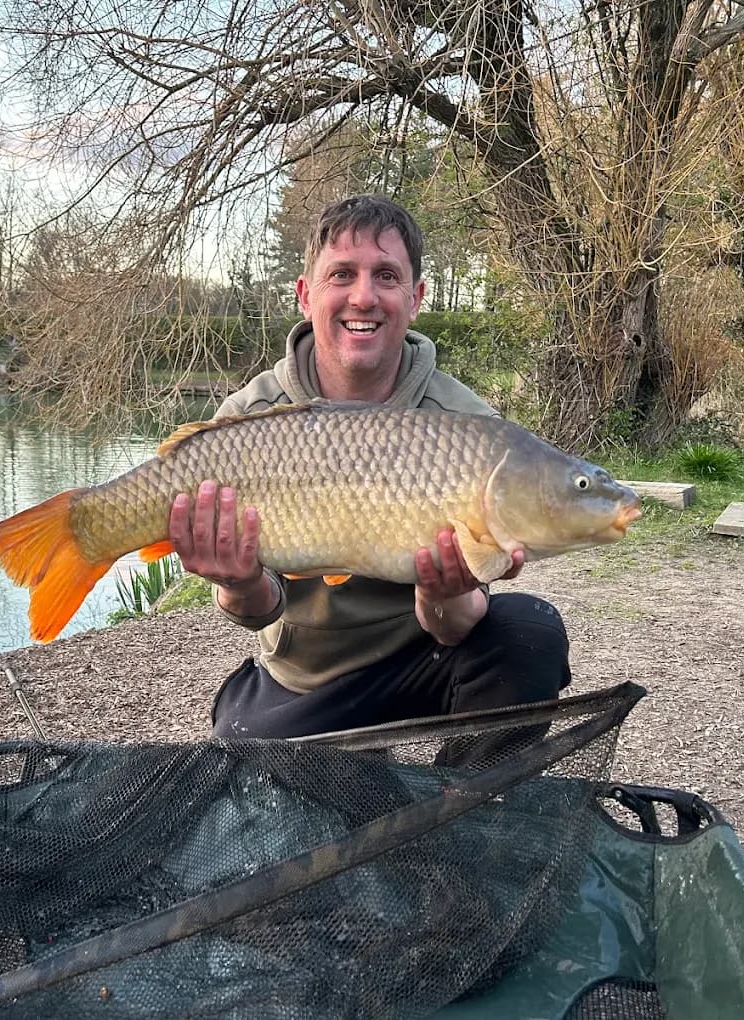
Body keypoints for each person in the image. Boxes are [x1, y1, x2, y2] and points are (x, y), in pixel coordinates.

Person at [166, 194, 571, 748]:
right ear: (306, 295)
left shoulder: (469, 428)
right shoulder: (249, 422)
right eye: (342, 274)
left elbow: (455, 625)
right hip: (306, 678)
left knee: (530, 633)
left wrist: (443, 591)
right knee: (250, 782)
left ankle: (464, 806)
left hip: (426, 659)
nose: (364, 296)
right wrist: (236, 583)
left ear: (416, 296)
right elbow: (255, 612)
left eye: (386, 275)